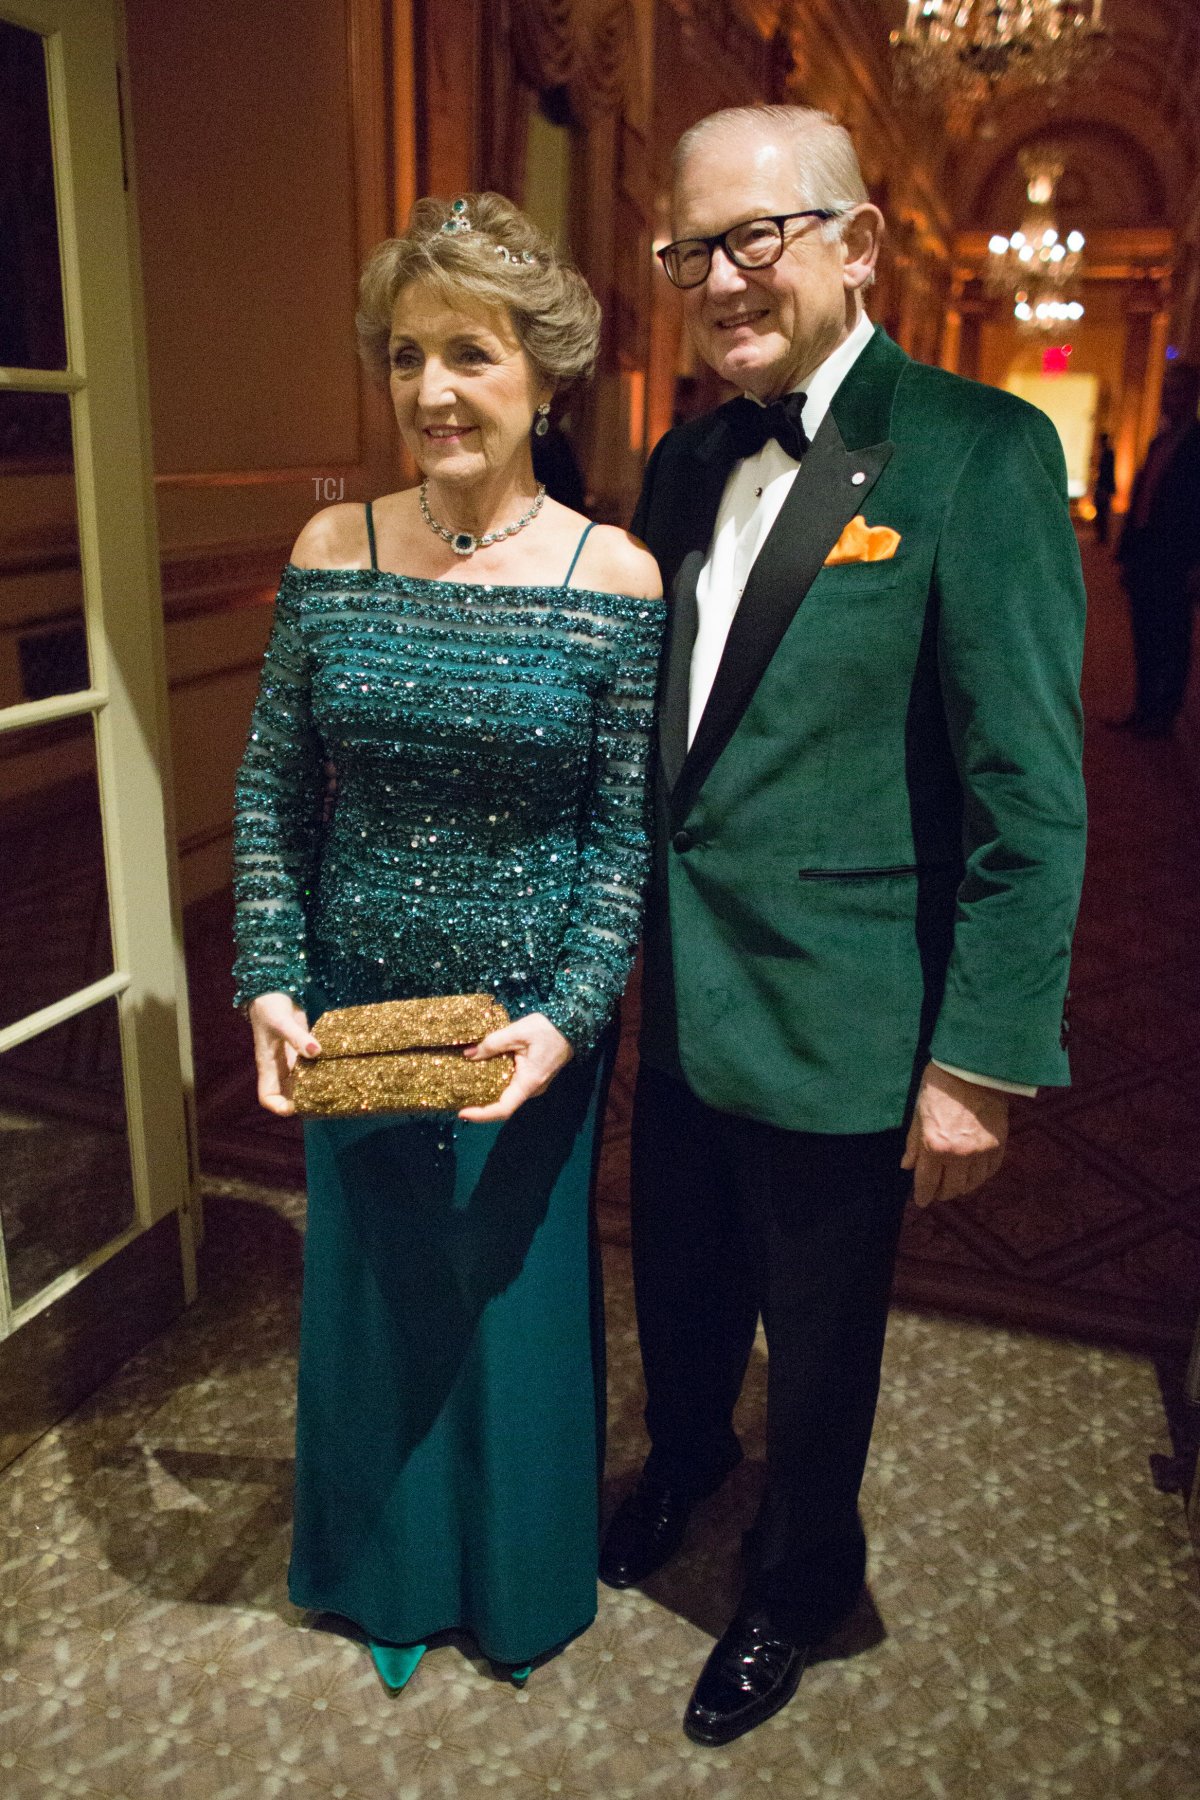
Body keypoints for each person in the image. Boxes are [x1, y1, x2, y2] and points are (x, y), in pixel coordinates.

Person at [599, 104, 1087, 1746]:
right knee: (675, 1281)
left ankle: (802, 1578)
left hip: (852, 1012)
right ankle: (683, 1460)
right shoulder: (684, 455)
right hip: (684, 986)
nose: (721, 278)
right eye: (692, 249)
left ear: (858, 241)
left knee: (815, 1346)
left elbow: (1032, 787)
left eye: (759, 237)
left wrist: (983, 1059)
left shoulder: (976, 450)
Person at [232, 192, 663, 1691]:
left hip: (523, 1034)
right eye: (407, 356)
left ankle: (513, 1580)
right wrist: (274, 979)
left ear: (544, 375)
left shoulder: (613, 577)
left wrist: (566, 1018)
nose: (430, 392)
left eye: (468, 354)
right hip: (354, 1010)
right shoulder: (331, 548)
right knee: (375, 1308)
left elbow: (622, 844)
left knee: (508, 1311)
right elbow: (274, 787)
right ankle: (381, 1577)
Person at [1115, 360, 1200, 737]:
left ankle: (1165, 715)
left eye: (1177, 390)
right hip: (1147, 555)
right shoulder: (1159, 440)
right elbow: (1143, 498)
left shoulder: (1197, 444)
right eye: (1167, 390)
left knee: (1172, 636)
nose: (1168, 398)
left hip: (1177, 559)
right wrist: (1127, 552)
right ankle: (1145, 706)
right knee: (1145, 634)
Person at [1092, 429, 1116, 545]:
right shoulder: (1106, 453)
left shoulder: (1108, 454)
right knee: (1101, 512)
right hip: (1103, 487)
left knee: (1103, 512)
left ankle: (1103, 538)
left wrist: (1106, 489)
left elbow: (1108, 473)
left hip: (1104, 487)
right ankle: (1101, 537)